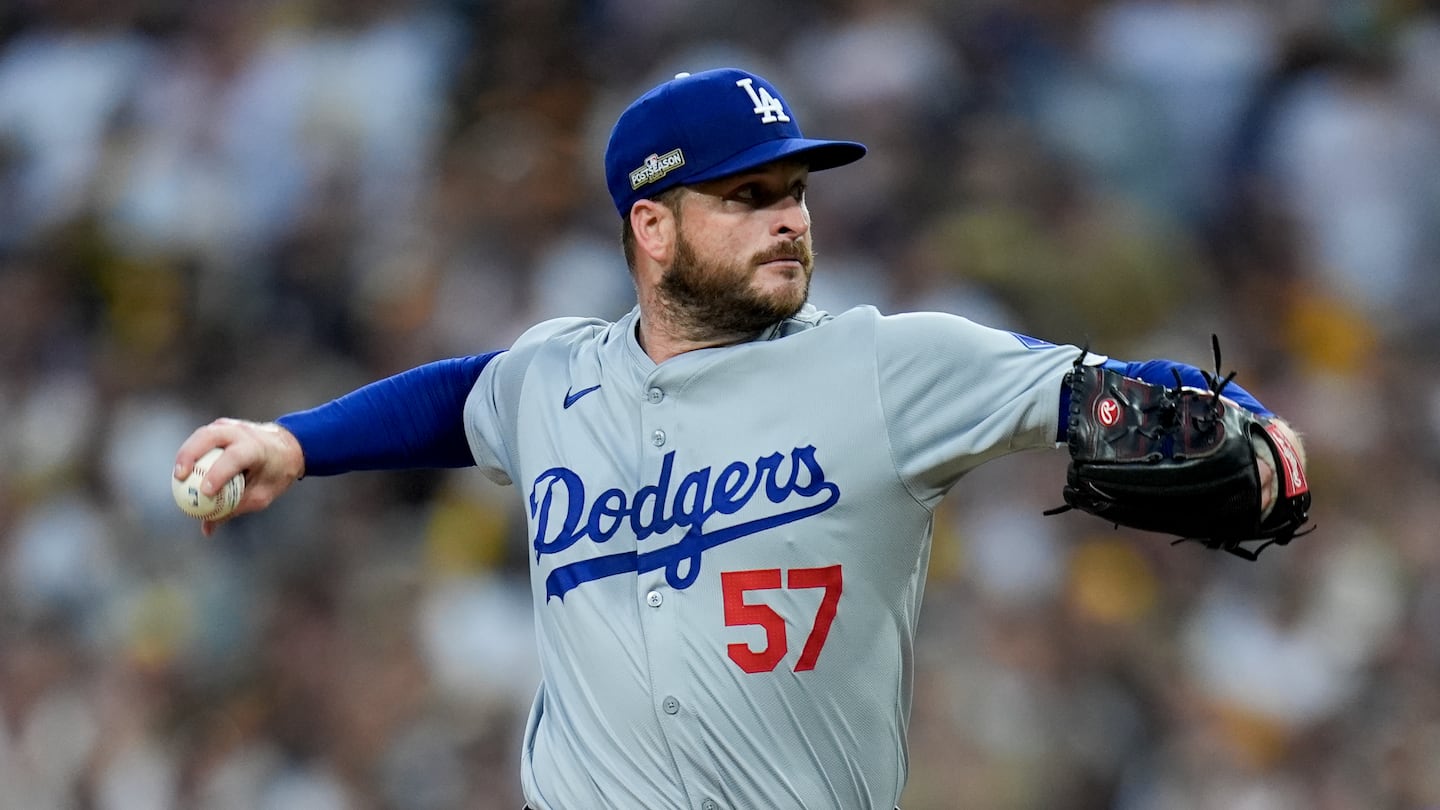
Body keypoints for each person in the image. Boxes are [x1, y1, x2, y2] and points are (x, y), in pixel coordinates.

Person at [174, 68, 1308, 810]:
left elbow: (1083, 388)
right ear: (652, 228)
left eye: (796, 192)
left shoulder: (882, 365)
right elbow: (461, 395)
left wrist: (1236, 423)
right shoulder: (557, 377)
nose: (791, 218)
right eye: (749, 194)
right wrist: (294, 443)